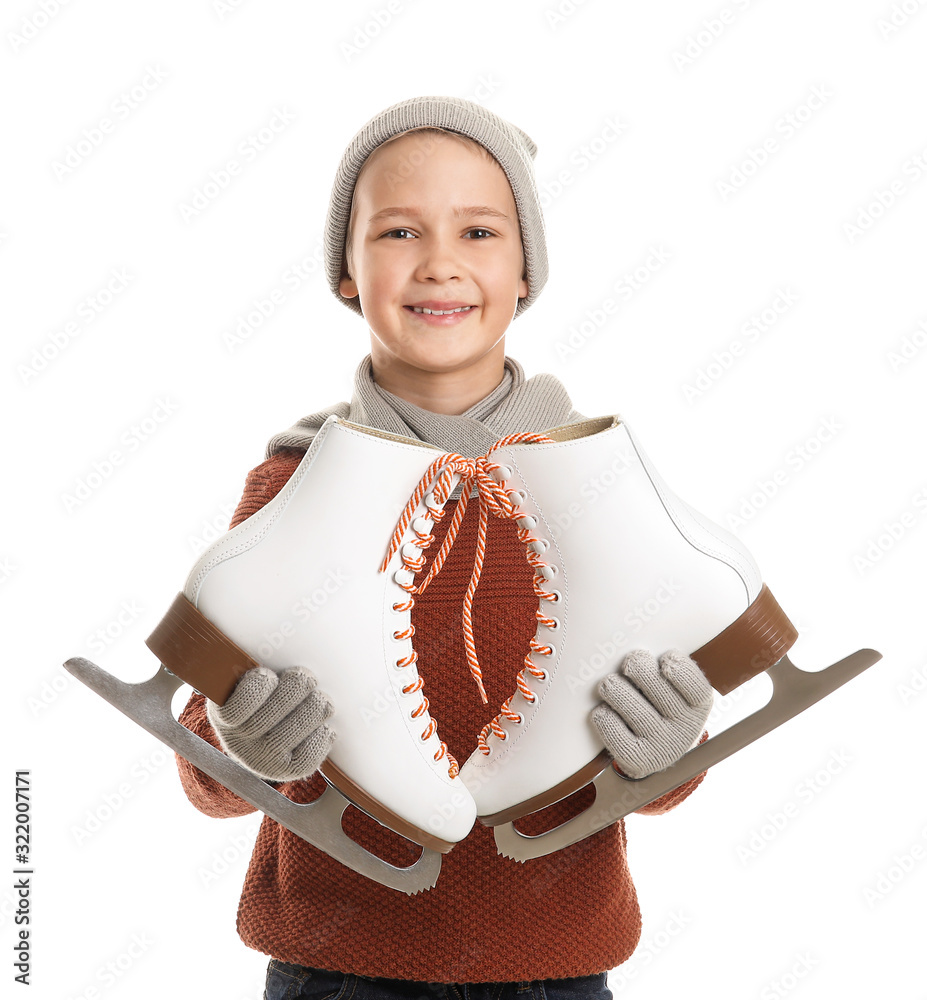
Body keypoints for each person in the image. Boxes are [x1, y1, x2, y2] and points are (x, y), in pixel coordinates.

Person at [175, 96, 713, 1000]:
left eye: (477, 231)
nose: (439, 264)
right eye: (395, 232)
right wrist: (242, 741)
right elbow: (203, 763)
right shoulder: (291, 482)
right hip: (339, 966)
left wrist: (669, 750)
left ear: (524, 270)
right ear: (345, 271)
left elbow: (656, 779)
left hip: (557, 964)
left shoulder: (596, 480)